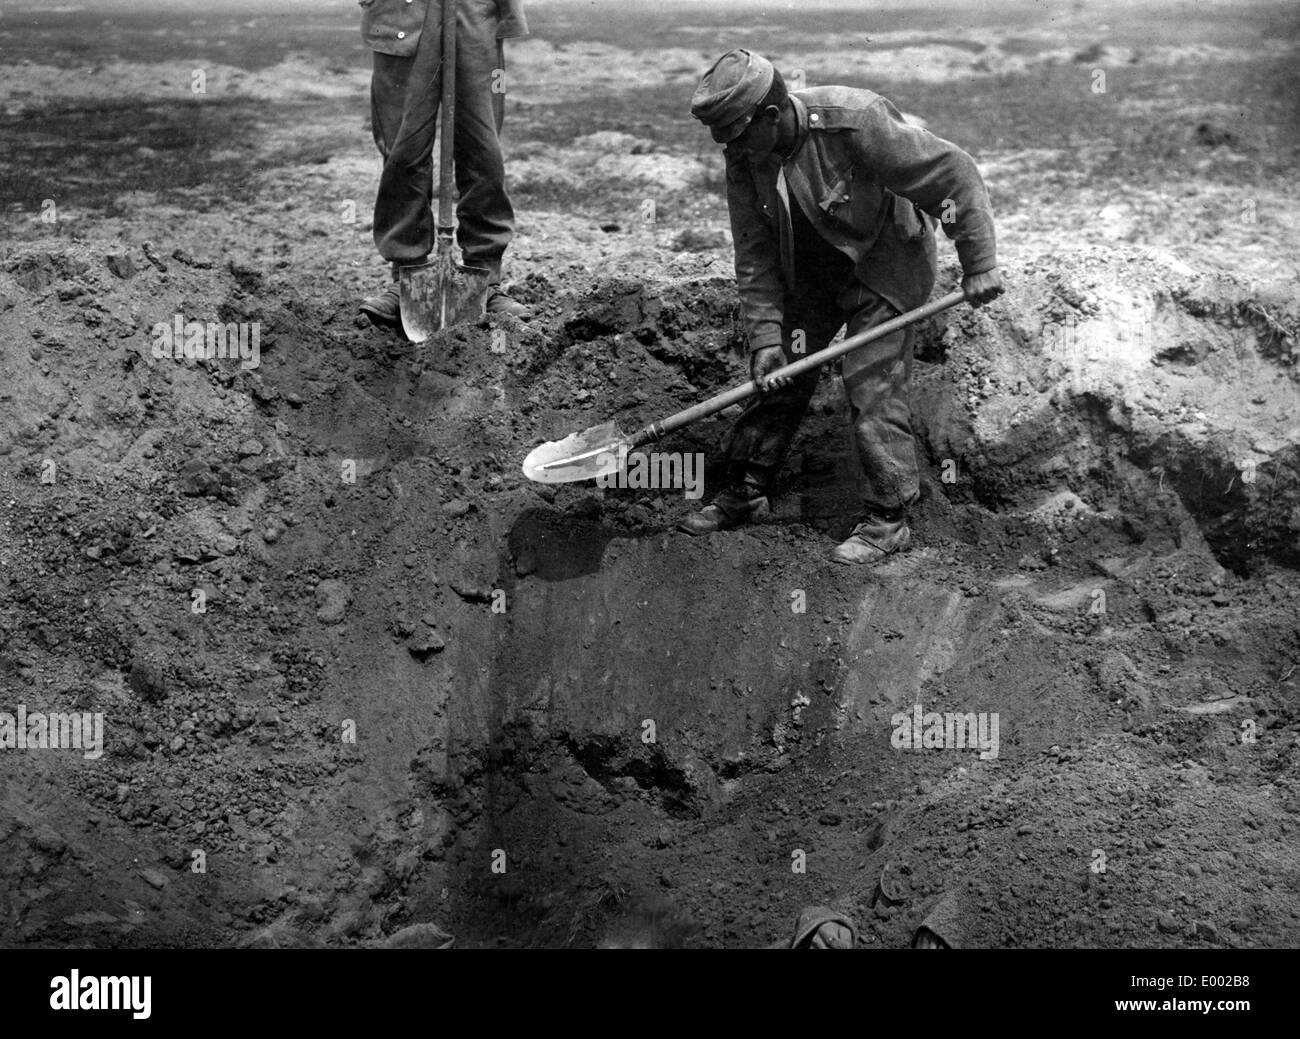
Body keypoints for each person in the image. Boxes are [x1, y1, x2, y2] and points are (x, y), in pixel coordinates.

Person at [684, 49, 1003, 564]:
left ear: (772, 114)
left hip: (886, 262)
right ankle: (747, 489)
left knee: (870, 378)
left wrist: (979, 262)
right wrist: (767, 337)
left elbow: (953, 175)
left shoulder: (854, 122)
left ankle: (889, 516)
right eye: (723, 139)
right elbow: (755, 250)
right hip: (814, 269)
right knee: (779, 369)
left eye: (738, 135)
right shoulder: (745, 153)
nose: (732, 148)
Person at [359, 0, 531, 328]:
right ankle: (405, 277)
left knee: (483, 152)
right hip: (401, 14)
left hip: (474, 15)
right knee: (403, 153)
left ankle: (485, 278)